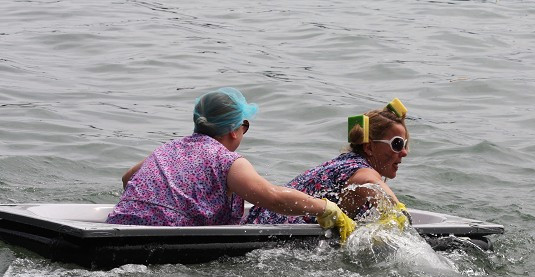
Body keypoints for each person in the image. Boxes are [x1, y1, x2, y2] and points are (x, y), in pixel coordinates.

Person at [106, 87, 354, 240]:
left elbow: (128, 178)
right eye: (244, 125)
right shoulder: (227, 161)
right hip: (160, 238)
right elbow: (274, 198)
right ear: (235, 131)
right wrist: (326, 208)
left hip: (119, 225)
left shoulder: (169, 148)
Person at [244, 98, 411, 227]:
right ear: (369, 148)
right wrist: (399, 213)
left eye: (405, 144)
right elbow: (368, 181)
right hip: (272, 232)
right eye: (397, 145)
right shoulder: (359, 169)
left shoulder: (344, 162)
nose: (404, 152)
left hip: (259, 219)